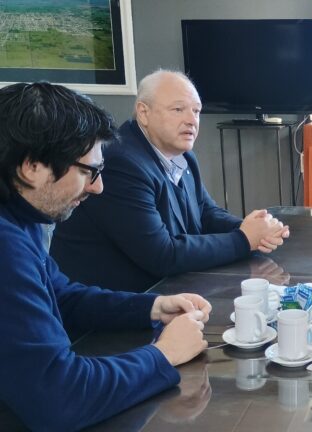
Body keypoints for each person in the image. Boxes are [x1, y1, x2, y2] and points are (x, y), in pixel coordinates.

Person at [0, 82, 213, 431]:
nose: (97, 187)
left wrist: (152, 307)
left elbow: (61, 296)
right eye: (88, 171)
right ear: (32, 167)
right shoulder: (5, 244)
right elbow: (62, 397)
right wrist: (163, 355)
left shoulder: (21, 218)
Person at [50, 70, 290, 293]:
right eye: (178, 109)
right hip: (111, 306)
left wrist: (253, 229)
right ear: (143, 113)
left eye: (196, 111)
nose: (191, 120)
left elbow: (206, 213)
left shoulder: (183, 156)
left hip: (167, 292)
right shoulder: (121, 163)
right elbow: (162, 255)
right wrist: (244, 239)